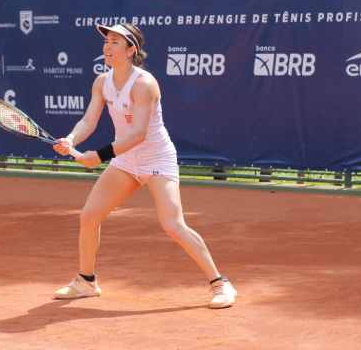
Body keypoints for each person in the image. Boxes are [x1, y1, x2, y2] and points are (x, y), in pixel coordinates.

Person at [52, 23, 236, 309]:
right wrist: (71, 138)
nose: (107, 46)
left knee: (173, 225)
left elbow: (138, 133)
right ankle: (86, 281)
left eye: (115, 42)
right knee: (89, 216)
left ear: (131, 50)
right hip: (126, 161)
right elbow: (88, 120)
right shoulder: (101, 82)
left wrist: (99, 155)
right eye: (106, 41)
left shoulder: (144, 84)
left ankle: (220, 283)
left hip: (157, 159)